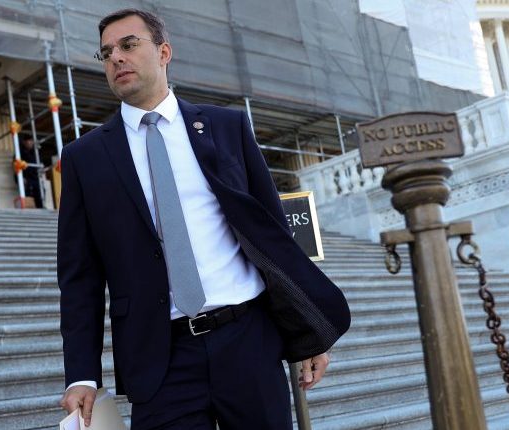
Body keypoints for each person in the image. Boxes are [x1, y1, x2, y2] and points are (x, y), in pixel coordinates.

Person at [57, 8, 350, 429]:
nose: (116, 57)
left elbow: (274, 237)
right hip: (159, 359)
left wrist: (307, 331)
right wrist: (81, 374)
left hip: (248, 340)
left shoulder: (226, 127)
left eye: (129, 45)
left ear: (164, 52)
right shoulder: (84, 158)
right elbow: (79, 277)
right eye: (106, 53)